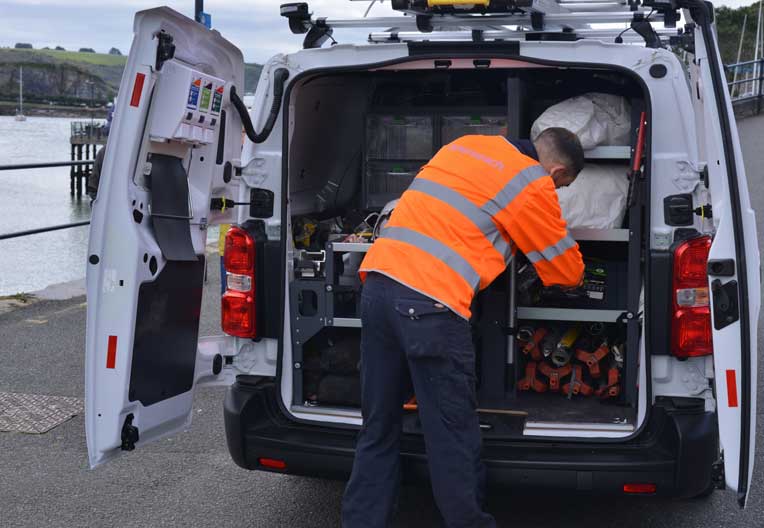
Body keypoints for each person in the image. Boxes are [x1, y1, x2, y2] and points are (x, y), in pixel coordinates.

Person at [342, 127, 586, 528]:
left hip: (378, 289)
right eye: (561, 186)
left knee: (378, 426)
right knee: (452, 435)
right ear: (556, 171)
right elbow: (566, 271)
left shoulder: (467, 144)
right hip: (431, 308)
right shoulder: (531, 182)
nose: (555, 192)